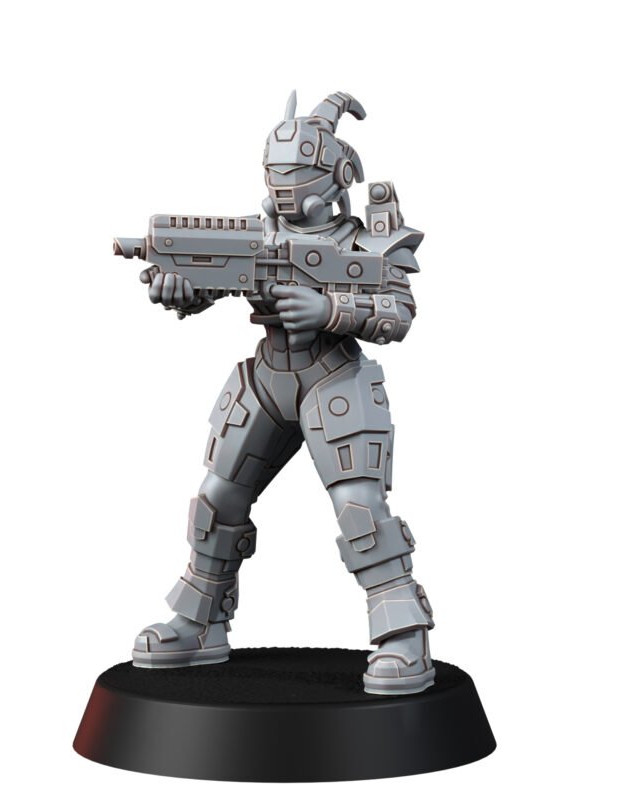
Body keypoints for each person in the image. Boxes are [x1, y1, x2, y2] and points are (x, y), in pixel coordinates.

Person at [132, 92, 435, 695]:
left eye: (296, 173)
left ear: (335, 174)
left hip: (333, 379)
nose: (285, 188)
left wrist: (330, 310)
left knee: (359, 509)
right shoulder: (258, 233)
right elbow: (214, 279)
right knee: (215, 501)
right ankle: (200, 623)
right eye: (277, 174)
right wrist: (181, 290)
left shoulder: (365, 241)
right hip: (269, 379)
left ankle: (404, 634)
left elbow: (398, 311)